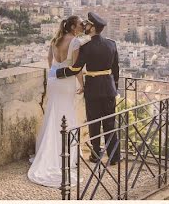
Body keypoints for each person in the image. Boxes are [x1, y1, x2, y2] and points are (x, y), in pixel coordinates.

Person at [27, 15, 90, 187]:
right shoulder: (75, 42)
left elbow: (50, 60)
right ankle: (66, 153)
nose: (81, 26)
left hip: (54, 79)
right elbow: (76, 68)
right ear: (72, 27)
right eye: (79, 24)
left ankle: (48, 151)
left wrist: (53, 72)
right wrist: (82, 85)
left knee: (53, 114)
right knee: (66, 113)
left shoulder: (55, 40)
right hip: (66, 81)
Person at [56, 12, 120, 164]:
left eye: (88, 25)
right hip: (109, 88)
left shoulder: (86, 46)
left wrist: (58, 73)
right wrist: (114, 87)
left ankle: (96, 155)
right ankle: (114, 156)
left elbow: (76, 68)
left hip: (93, 89)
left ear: (92, 28)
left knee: (94, 123)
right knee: (110, 122)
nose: (85, 26)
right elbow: (116, 70)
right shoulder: (112, 44)